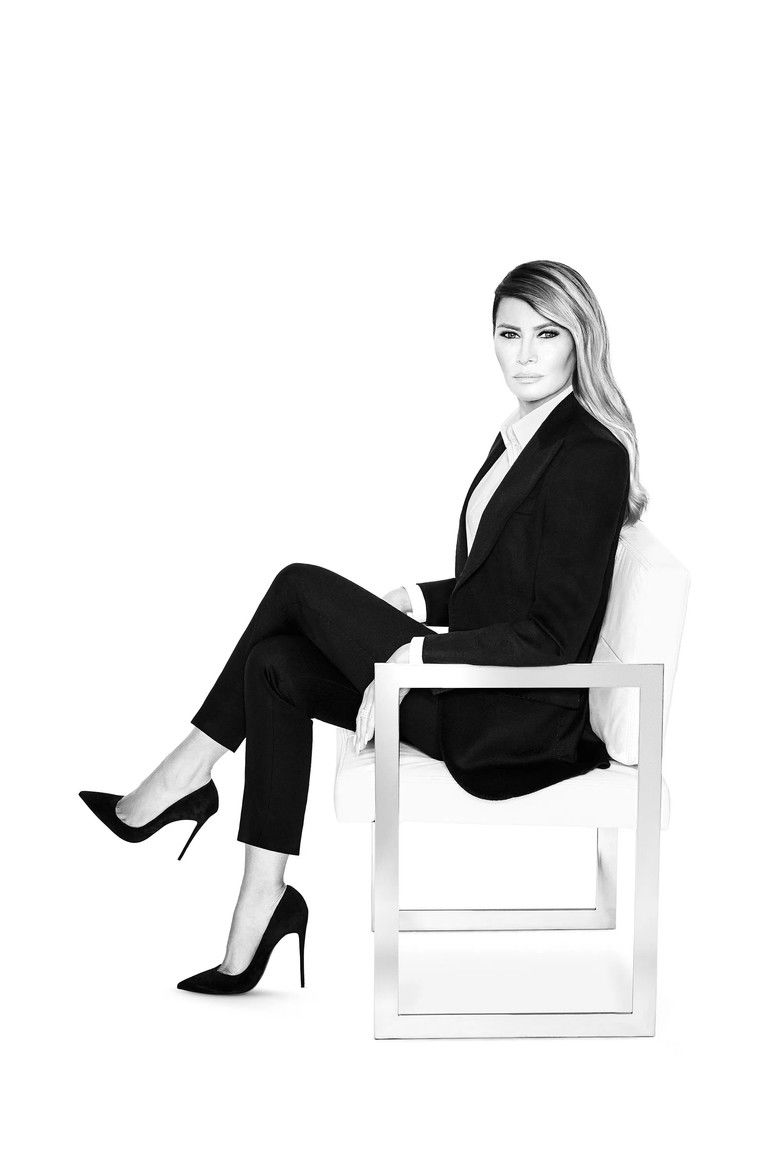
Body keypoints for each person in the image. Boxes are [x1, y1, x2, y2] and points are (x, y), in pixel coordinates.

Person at [79, 259, 648, 997]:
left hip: (509, 718)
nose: (525, 355)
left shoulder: (589, 454)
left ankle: (184, 776)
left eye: (547, 335)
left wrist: (419, 657)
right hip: (472, 686)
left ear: (580, 341)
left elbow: (553, 636)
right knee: (273, 664)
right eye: (509, 334)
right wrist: (418, 598)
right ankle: (263, 897)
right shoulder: (527, 434)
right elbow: (505, 588)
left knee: (298, 585)